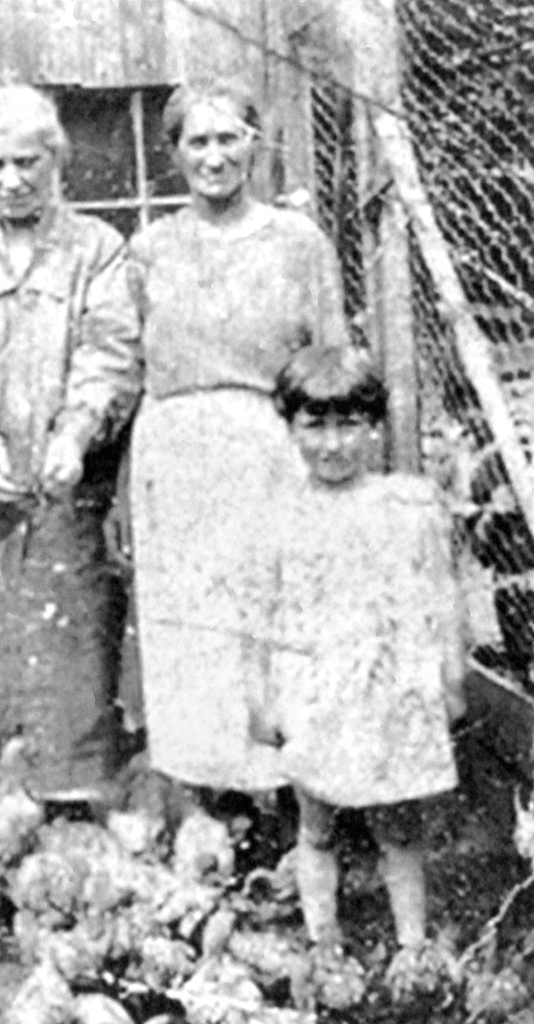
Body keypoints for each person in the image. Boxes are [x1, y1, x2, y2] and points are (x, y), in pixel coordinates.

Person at [0, 85, 142, 805]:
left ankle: (73, 794)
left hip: (66, 477)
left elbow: (111, 353)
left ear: (56, 160)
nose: (10, 180)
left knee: (69, 627)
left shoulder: (97, 248)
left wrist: (75, 436)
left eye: (26, 163)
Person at [126, 80, 348, 795]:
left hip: (267, 452)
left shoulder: (297, 242)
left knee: (271, 625)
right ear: (174, 153)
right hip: (175, 455)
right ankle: (202, 803)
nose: (214, 157)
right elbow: (131, 371)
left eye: (228, 138)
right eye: (197, 141)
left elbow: (331, 360)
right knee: (190, 631)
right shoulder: (149, 249)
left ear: (255, 144)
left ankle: (285, 799)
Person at [256, 345, 466, 994]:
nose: (332, 444)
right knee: (314, 825)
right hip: (315, 690)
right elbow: (262, 614)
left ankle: (411, 946)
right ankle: (324, 945)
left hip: (385, 691)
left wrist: (449, 677)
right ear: (288, 427)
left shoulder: (404, 504)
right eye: (314, 425)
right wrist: (266, 699)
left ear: (374, 427)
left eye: (348, 424)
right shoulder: (279, 511)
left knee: (395, 826)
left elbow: (440, 595)